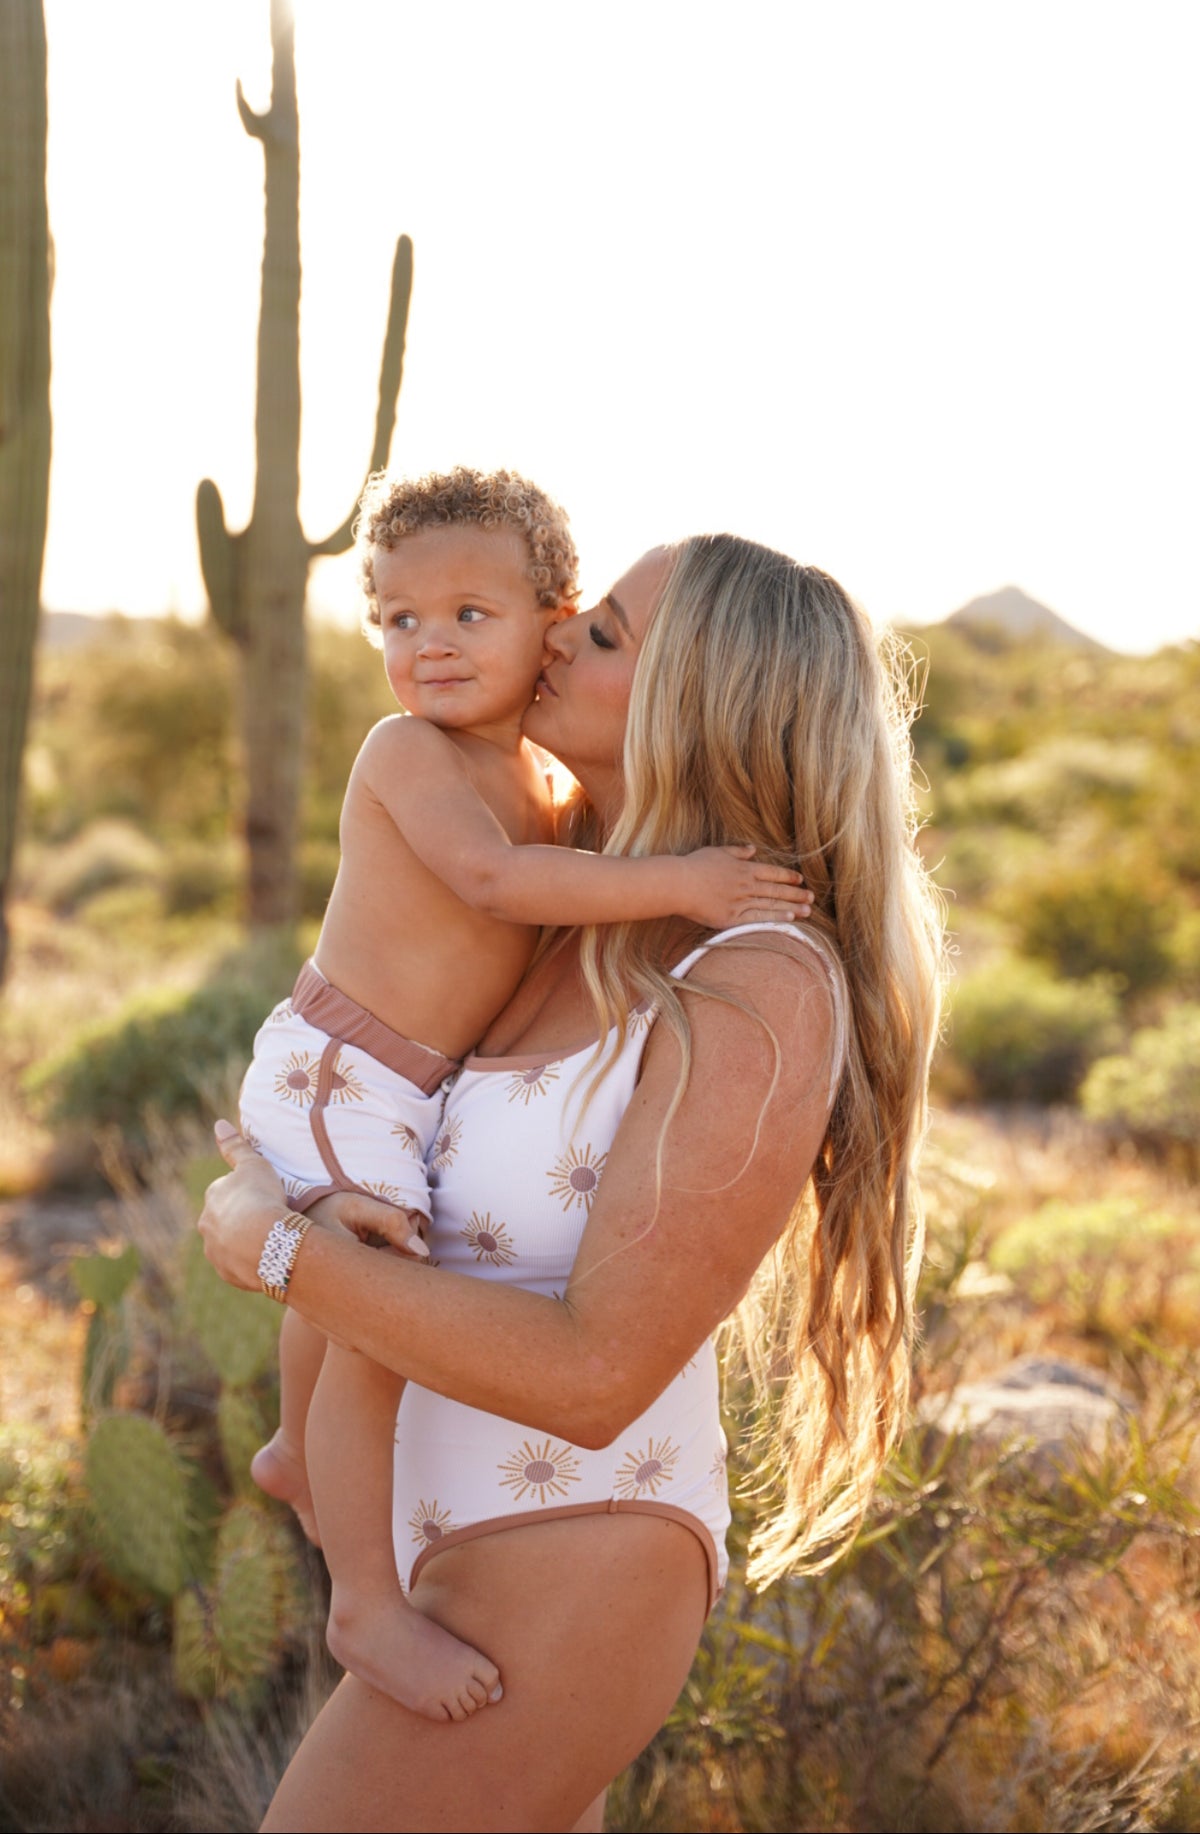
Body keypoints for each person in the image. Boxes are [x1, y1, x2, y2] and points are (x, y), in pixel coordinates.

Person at [200, 532, 945, 1834]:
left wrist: (277, 1251)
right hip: (443, 1539)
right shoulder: (569, 911)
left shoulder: (759, 972)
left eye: (601, 633)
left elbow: (600, 1373)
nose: (553, 638)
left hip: (574, 1558)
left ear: (696, 705)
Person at [237, 468, 808, 1723]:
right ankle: (361, 1599)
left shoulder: (554, 796)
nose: (429, 645)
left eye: (468, 617)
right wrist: (687, 881)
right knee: (373, 1300)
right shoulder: (409, 753)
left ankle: (297, 1449)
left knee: (367, 1286)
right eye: (399, 622)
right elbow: (497, 886)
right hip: (347, 1065)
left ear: (549, 623)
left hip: (394, 1084)